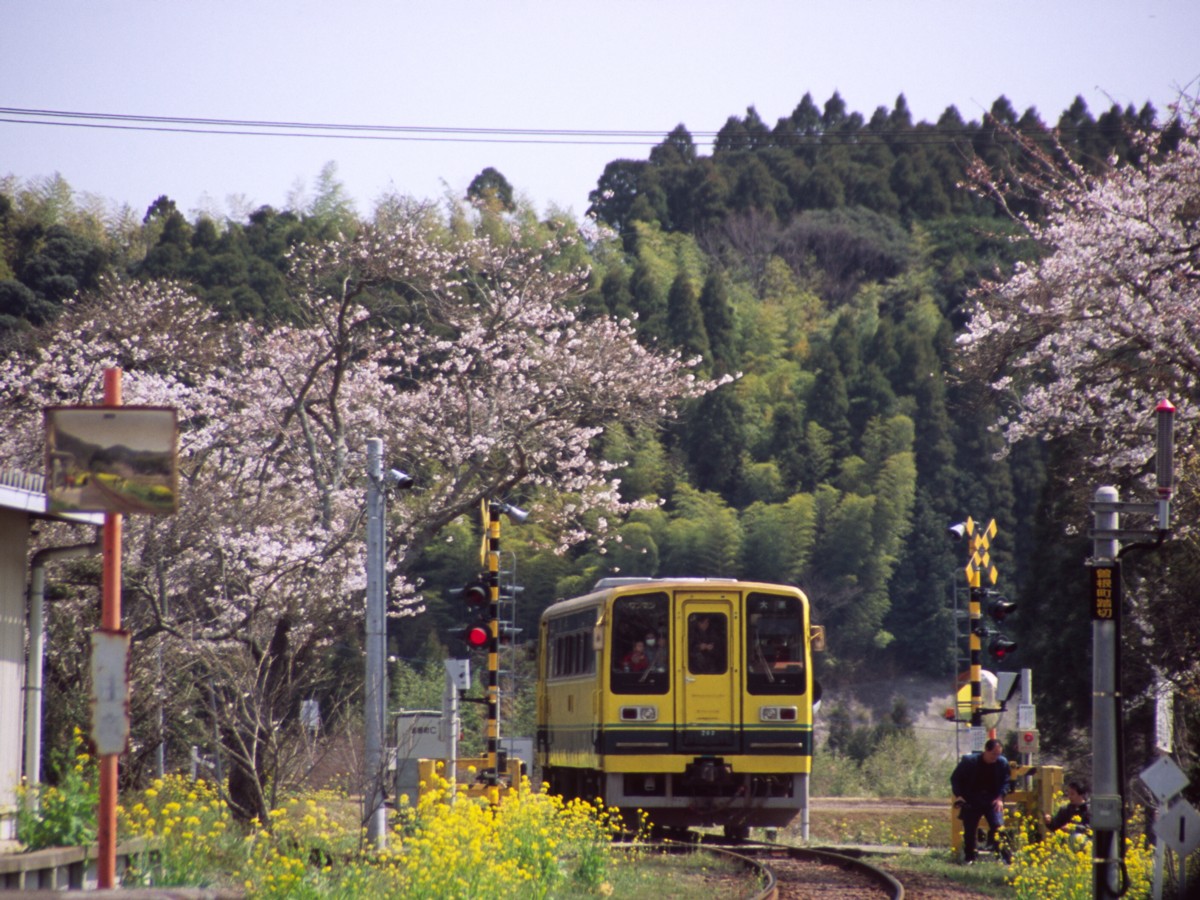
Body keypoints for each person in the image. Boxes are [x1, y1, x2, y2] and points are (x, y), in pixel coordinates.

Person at [951, 738, 1013, 863]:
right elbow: (955, 778)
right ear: (986, 750)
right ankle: (970, 858)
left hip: (993, 799)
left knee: (998, 826)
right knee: (970, 828)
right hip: (972, 798)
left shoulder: (1002, 763)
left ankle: (1004, 858)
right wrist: (959, 795)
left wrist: (1000, 797)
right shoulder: (969, 761)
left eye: (998, 754)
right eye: (993, 754)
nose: (996, 757)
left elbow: (1006, 782)